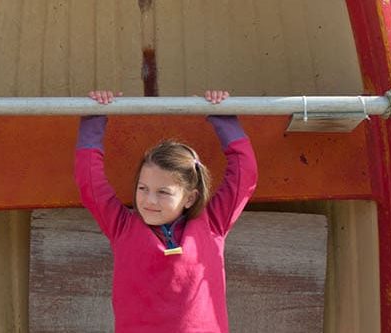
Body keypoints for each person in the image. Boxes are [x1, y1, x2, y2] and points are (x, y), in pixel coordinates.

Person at [73, 90, 258, 332]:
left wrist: (222, 115)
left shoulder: (213, 224)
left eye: (163, 192)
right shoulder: (122, 227)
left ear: (190, 198)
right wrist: (94, 116)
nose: (149, 200)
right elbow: (89, 179)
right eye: (143, 188)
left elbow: (245, 173)